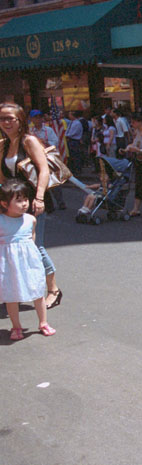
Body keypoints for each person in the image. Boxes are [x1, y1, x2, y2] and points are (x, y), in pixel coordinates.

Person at [0, 103, 63, 311]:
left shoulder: (29, 141)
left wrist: (39, 198)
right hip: (11, 204)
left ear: (20, 120)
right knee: (11, 246)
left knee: (35, 246)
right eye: (2, 119)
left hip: (31, 201)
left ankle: (53, 289)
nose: (6, 122)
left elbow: (43, 170)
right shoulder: (3, 144)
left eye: (11, 118)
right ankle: (16, 290)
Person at [0, 180, 55, 340]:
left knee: (37, 291)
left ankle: (43, 322)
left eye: (25, 199)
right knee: (11, 295)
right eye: (18, 200)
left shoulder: (30, 219)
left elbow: (32, 240)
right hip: (9, 263)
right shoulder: (2, 221)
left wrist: (35, 259)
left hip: (29, 262)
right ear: (4, 203)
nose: (24, 203)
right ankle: (16, 326)